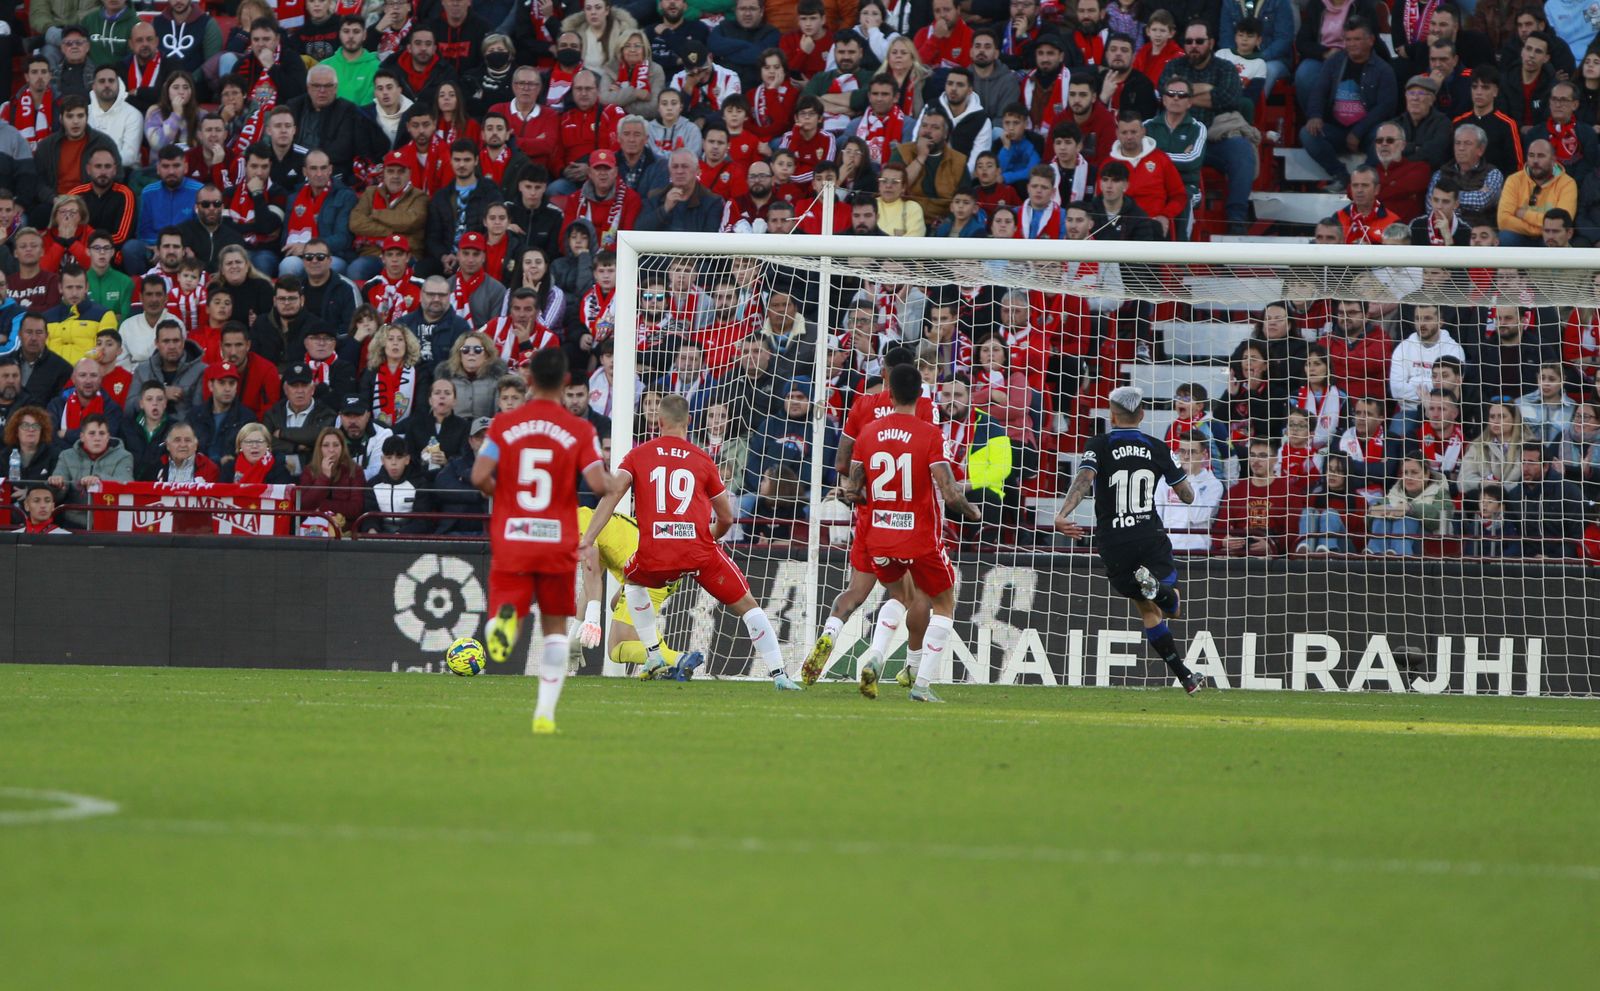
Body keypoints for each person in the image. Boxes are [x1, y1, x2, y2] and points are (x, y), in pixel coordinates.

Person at [582, 391, 803, 692]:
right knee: (749, 606)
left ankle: (653, 655)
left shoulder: (638, 455)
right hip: (699, 552)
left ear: (658, 421)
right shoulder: (703, 460)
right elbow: (726, 517)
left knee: (632, 584)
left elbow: (612, 495)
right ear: (689, 421)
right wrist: (706, 537)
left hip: (655, 553)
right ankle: (779, 674)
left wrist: (590, 537)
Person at [471, 348, 613, 732]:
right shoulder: (581, 430)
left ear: (529, 380)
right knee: (553, 630)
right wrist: (616, 480)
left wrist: (504, 496)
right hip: (557, 538)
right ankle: (545, 714)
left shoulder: (502, 425)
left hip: (514, 534)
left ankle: (503, 623)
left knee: (509, 607)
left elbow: (479, 475)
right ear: (566, 383)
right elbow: (599, 484)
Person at [836, 363, 981, 701]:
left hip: (879, 537)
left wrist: (850, 494)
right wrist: (973, 512)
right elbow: (949, 490)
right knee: (944, 605)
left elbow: (855, 489)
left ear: (889, 392)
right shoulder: (930, 434)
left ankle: (874, 655)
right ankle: (923, 685)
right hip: (919, 538)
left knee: (900, 596)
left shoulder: (869, 432)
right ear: (920, 394)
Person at [798, 345, 937, 687]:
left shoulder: (862, 405)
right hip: (910, 519)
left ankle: (830, 632)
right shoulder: (925, 409)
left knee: (855, 593)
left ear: (885, 372)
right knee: (914, 595)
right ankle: (905, 665)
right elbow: (929, 462)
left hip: (870, 516)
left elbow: (843, 462)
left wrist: (853, 488)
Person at [1054, 386, 1207, 694]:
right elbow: (1188, 496)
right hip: (1147, 535)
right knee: (1171, 606)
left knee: (1147, 610)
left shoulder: (1098, 444)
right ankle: (1162, 591)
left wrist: (1062, 514)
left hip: (1114, 541)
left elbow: (1084, 480)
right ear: (1142, 415)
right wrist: (1174, 466)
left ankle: (1186, 677)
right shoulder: (1157, 446)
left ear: (1111, 415)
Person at [48, 412, 133, 526]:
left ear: (108, 437)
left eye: (102, 433)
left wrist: (99, 479)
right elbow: (57, 496)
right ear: (82, 437)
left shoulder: (124, 456)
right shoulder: (66, 456)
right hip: (73, 521)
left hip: (109, 521)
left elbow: (127, 483)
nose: (97, 438)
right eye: (92, 433)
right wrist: (57, 485)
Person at [1157, 430, 1224, 551]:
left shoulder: (1214, 485)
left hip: (1198, 550)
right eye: (1182, 451)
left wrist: (1190, 477)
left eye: (1192, 452)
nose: (1186, 456)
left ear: (1204, 454)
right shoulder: (1164, 482)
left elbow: (1198, 516)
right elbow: (1157, 518)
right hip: (1168, 550)